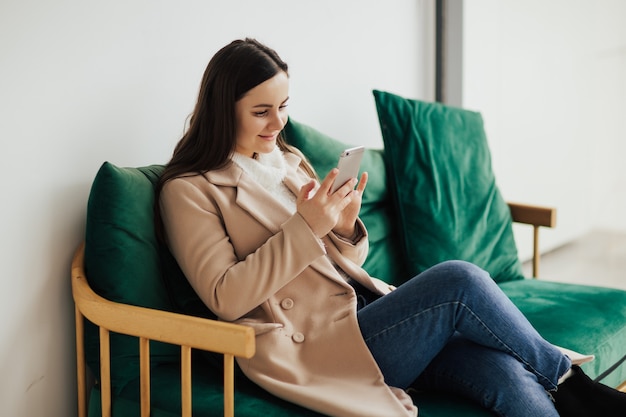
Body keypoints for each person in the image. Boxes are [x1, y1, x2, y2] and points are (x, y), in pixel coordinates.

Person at [156, 38, 626, 417]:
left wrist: (339, 228)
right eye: (261, 111)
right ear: (223, 108)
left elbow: (341, 266)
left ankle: (569, 394)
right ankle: (572, 384)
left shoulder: (286, 160)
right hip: (317, 348)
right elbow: (226, 296)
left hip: (366, 317)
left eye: (283, 106)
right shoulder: (190, 190)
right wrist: (305, 226)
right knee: (458, 279)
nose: (278, 122)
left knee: (504, 370)